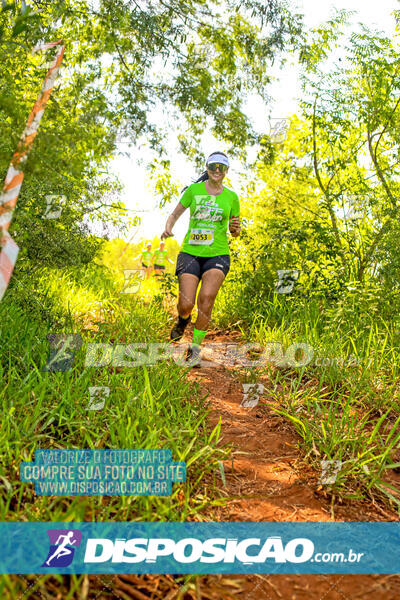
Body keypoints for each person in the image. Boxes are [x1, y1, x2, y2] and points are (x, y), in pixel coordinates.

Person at [161, 151, 241, 366]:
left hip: (218, 253)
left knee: (206, 298)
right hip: (191, 252)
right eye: (213, 166)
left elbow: (235, 229)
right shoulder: (194, 191)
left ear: (226, 171)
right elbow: (175, 213)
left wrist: (236, 229)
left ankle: (195, 348)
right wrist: (168, 228)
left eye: (221, 167)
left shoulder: (231, 197)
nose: (217, 170)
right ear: (207, 168)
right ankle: (182, 319)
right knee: (186, 303)